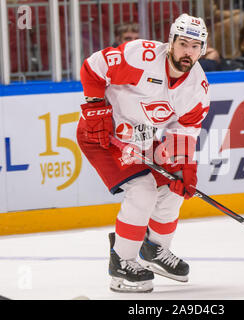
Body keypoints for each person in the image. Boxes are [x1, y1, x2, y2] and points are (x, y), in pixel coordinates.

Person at [76, 13, 210, 292]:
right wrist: (95, 106)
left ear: (203, 49)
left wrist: (183, 167)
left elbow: (185, 128)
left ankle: (154, 251)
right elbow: (93, 66)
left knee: (174, 189)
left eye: (195, 46)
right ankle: (121, 262)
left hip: (142, 140)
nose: (188, 52)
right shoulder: (142, 56)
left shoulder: (196, 86)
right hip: (103, 135)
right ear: (171, 41)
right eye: (183, 43)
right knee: (143, 190)